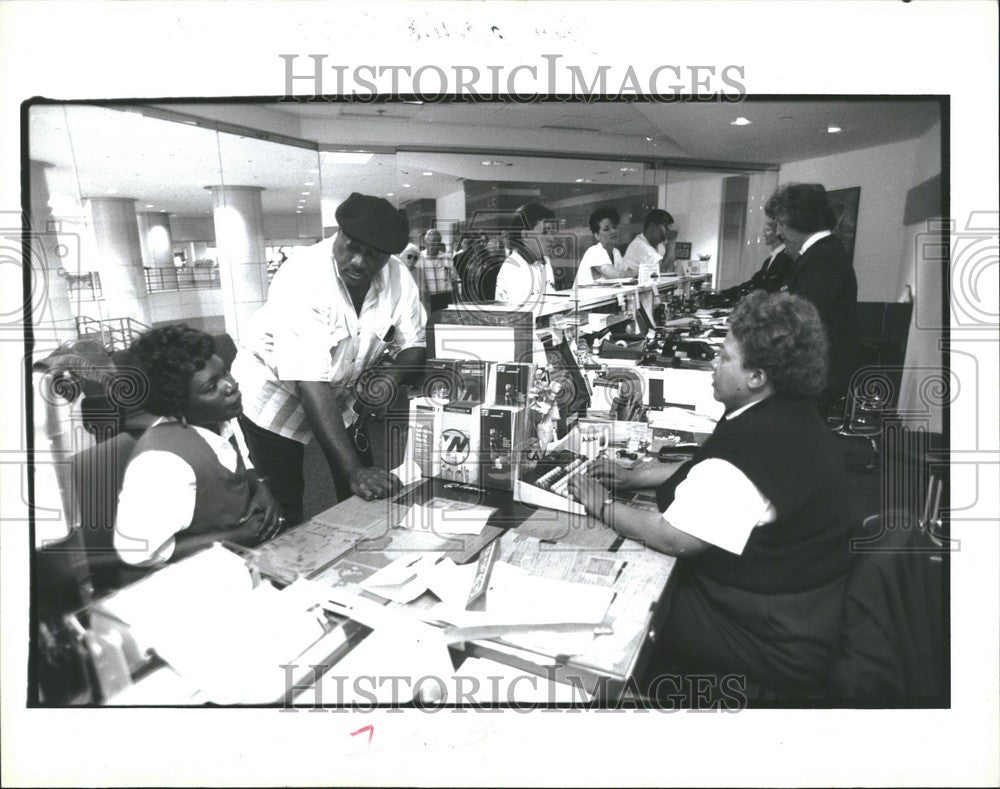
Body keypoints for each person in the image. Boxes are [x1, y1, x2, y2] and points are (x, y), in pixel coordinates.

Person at [568, 291, 855, 699]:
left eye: (723, 358)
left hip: (772, 634)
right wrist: (641, 476)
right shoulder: (788, 413)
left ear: (756, 377)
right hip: (809, 604)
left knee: (619, 608)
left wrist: (599, 502)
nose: (712, 366)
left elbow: (673, 537)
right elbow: (718, 472)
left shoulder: (755, 444)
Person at [232, 192, 426, 525]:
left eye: (373, 255)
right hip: (275, 396)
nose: (358, 262)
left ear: (388, 256)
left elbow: (416, 345)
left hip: (342, 397)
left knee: (368, 496)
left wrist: (391, 378)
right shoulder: (302, 276)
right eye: (350, 247)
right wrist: (355, 472)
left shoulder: (398, 278)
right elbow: (311, 384)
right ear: (338, 234)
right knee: (284, 506)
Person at [114, 325, 283, 569]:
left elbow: (241, 460)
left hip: (243, 562)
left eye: (225, 372)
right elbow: (136, 552)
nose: (230, 385)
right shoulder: (162, 463)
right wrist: (233, 538)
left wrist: (259, 485)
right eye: (211, 387)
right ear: (177, 405)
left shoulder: (217, 417)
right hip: (195, 580)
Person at [765, 183, 858, 409]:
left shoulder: (821, 259)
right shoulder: (822, 253)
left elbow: (798, 322)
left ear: (801, 221)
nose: (778, 232)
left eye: (782, 223)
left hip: (815, 374)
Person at [494, 202, 558, 307]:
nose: (552, 238)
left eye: (552, 232)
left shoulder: (545, 261)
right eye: (545, 232)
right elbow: (521, 316)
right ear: (525, 235)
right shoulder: (513, 269)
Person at [574, 206, 631, 287]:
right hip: (584, 298)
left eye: (614, 227)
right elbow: (618, 276)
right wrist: (642, 271)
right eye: (606, 229)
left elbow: (628, 272)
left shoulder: (616, 252)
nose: (613, 232)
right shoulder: (594, 252)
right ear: (597, 236)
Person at [622, 208, 678, 276]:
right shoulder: (639, 245)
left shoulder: (659, 246)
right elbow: (662, 270)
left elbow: (669, 271)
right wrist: (671, 240)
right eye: (666, 227)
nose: (668, 231)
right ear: (652, 227)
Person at [414, 228, 456, 312]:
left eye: (438, 241)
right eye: (433, 240)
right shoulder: (418, 258)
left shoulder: (447, 258)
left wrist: (457, 301)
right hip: (427, 299)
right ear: (426, 242)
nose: (435, 243)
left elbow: (454, 280)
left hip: (446, 298)